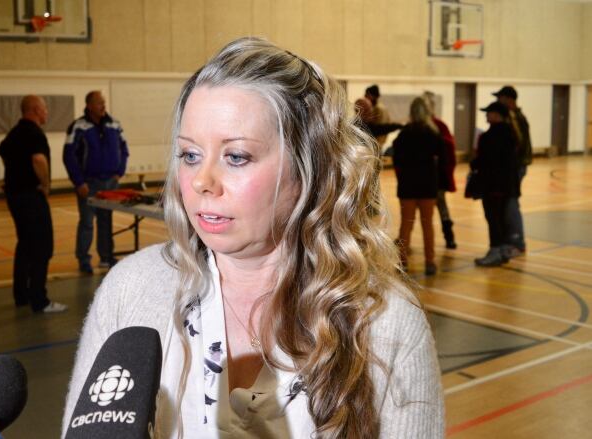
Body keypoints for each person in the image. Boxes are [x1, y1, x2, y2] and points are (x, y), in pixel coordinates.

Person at [63, 38, 443, 438]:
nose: (201, 181)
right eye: (190, 155)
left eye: (236, 156)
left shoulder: (386, 323)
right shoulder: (130, 288)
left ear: (309, 166)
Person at [0, 95, 67, 314]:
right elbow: (39, 160)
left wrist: (13, 175)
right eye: (44, 109)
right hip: (31, 197)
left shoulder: (15, 133)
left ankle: (21, 296)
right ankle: (40, 300)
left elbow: (2, 151)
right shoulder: (34, 133)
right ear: (35, 110)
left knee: (25, 245)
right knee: (42, 247)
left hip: (14, 195)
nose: (46, 113)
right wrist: (45, 184)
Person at [63, 91, 130, 274]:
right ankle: (84, 260)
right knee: (86, 222)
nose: (103, 106)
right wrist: (78, 182)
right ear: (89, 105)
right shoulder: (78, 126)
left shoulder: (114, 124)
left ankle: (106, 257)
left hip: (110, 182)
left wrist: (119, 173)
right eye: (99, 103)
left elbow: (124, 149)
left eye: (104, 102)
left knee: (106, 221)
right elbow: (69, 156)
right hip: (88, 183)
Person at [392, 98, 447, 276]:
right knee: (427, 225)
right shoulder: (433, 133)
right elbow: (443, 156)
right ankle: (430, 262)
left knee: (406, 225)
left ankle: (402, 261)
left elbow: (397, 158)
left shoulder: (404, 133)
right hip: (427, 186)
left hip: (407, 185)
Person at [472, 102, 519, 267]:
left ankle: (495, 251)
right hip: (506, 186)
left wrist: (474, 163)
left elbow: (486, 162)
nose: (486, 115)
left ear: (497, 115)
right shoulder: (511, 133)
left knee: (493, 218)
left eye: (489, 112)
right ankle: (503, 250)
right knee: (501, 218)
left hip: (493, 186)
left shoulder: (490, 137)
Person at [494, 86, 531, 257]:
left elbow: (518, 144)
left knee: (511, 203)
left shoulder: (515, 118)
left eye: (500, 98)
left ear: (509, 99)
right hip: (511, 167)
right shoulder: (513, 117)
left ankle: (517, 241)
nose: (497, 102)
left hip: (515, 167)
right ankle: (509, 240)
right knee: (507, 202)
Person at [422, 91, 457, 249]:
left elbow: (449, 150)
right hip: (423, 178)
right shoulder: (418, 126)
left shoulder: (439, 125)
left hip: (437, 178)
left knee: (442, 207)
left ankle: (449, 237)